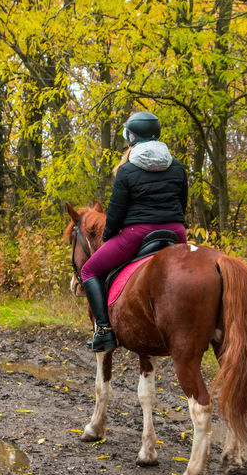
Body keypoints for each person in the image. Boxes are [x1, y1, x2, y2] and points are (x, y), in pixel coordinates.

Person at [80, 111, 188, 352]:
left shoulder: (127, 171)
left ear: (131, 137)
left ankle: (105, 331)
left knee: (89, 270)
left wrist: (108, 238)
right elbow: (182, 205)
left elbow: (116, 214)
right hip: (176, 232)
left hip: (137, 233)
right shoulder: (178, 167)